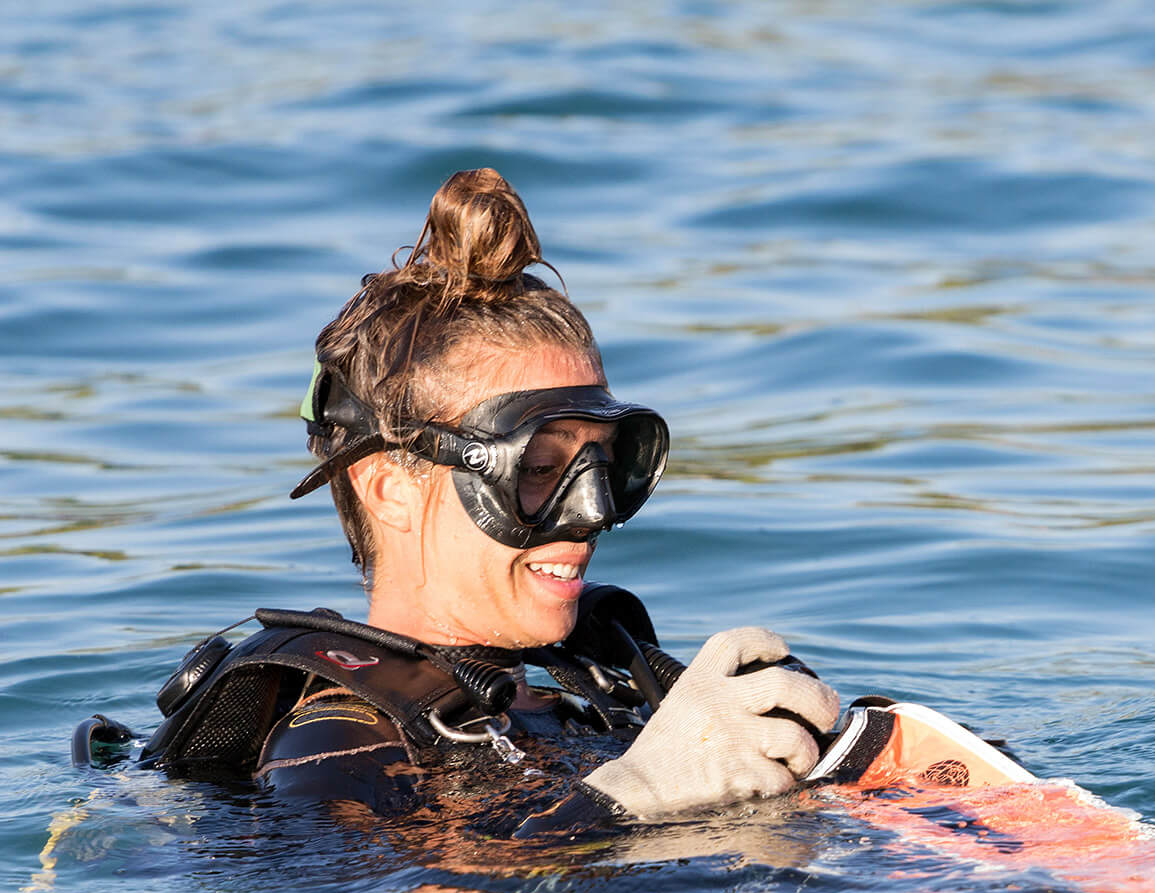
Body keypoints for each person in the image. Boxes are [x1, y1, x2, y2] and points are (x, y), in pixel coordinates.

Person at [135, 168, 841, 835]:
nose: (591, 511)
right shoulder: (332, 752)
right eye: (539, 467)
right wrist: (637, 797)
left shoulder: (599, 695)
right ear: (390, 489)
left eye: (604, 465)